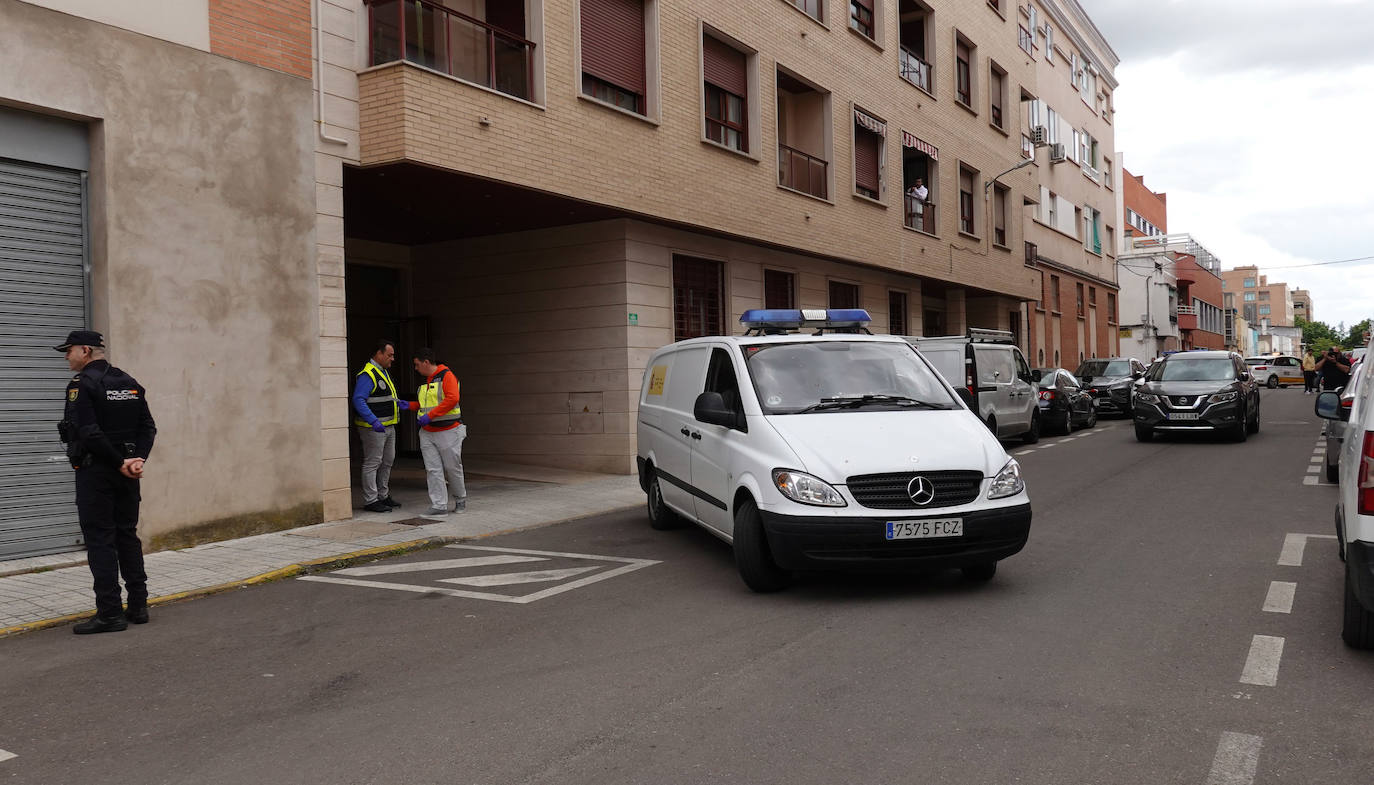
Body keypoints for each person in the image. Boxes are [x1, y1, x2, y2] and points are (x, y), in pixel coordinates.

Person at [55, 330, 157, 634]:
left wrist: (116, 463)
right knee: (127, 534)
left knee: (100, 539)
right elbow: (147, 427)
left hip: (97, 472)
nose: (66, 356)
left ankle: (110, 613)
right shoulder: (129, 382)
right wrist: (136, 459)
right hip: (128, 473)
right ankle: (138, 606)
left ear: (85, 350)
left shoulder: (82, 384)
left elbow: (88, 432)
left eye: (69, 350)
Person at [406, 348, 466, 518]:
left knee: (452, 467)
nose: (416, 368)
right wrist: (410, 405)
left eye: (417, 364)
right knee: (433, 469)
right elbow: (426, 405)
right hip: (427, 432)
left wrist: (430, 416)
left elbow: (452, 398)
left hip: (448, 431)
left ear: (426, 362)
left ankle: (460, 499)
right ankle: (439, 506)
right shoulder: (427, 381)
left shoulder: (447, 376)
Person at [352, 339, 403, 513]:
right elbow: (358, 400)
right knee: (373, 462)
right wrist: (373, 420)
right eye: (390, 355)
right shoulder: (368, 373)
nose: (392, 359)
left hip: (388, 426)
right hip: (373, 428)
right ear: (379, 354)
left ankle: (383, 495)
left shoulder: (382, 371)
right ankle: (371, 500)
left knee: (387, 461)